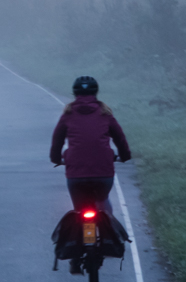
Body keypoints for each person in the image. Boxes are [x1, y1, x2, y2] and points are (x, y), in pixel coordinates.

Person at [49, 75, 131, 214]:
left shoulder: (67, 115)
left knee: (79, 210)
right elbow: (120, 138)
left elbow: (57, 141)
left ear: (75, 93)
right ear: (95, 92)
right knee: (103, 200)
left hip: (76, 174)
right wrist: (124, 156)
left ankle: (80, 233)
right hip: (103, 173)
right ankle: (110, 231)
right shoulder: (105, 114)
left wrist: (56, 159)